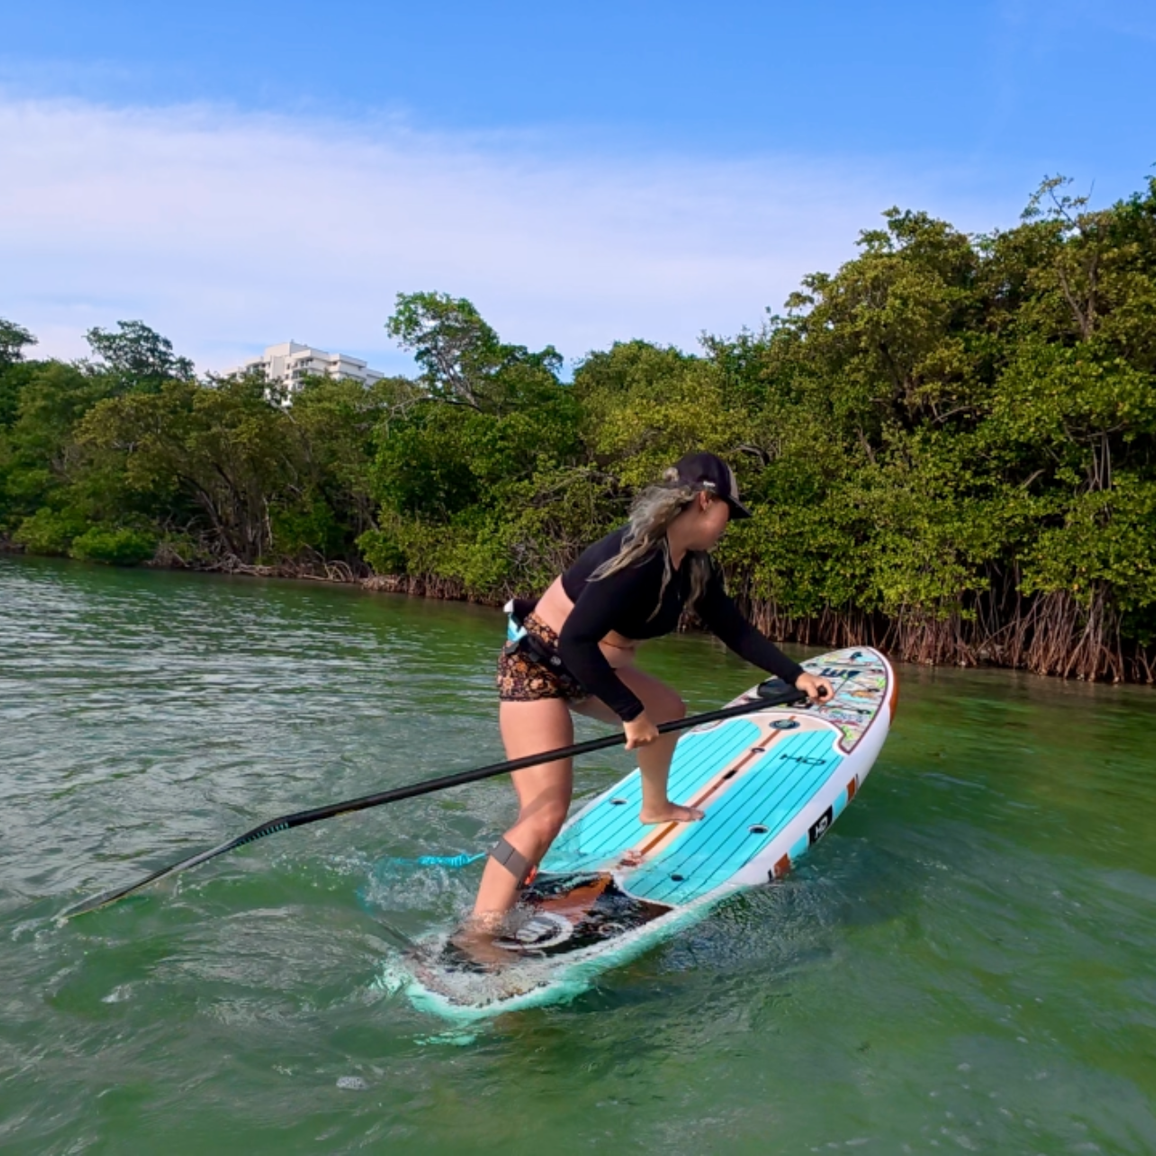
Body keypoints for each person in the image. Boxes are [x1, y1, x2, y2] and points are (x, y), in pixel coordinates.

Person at [473, 452, 834, 927]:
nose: (731, 523)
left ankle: (654, 806)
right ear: (706, 501)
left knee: (668, 708)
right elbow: (577, 641)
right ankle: (480, 933)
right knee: (545, 814)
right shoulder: (638, 557)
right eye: (729, 511)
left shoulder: (694, 566)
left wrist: (796, 676)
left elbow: (734, 629)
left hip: (588, 670)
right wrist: (629, 712)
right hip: (538, 670)